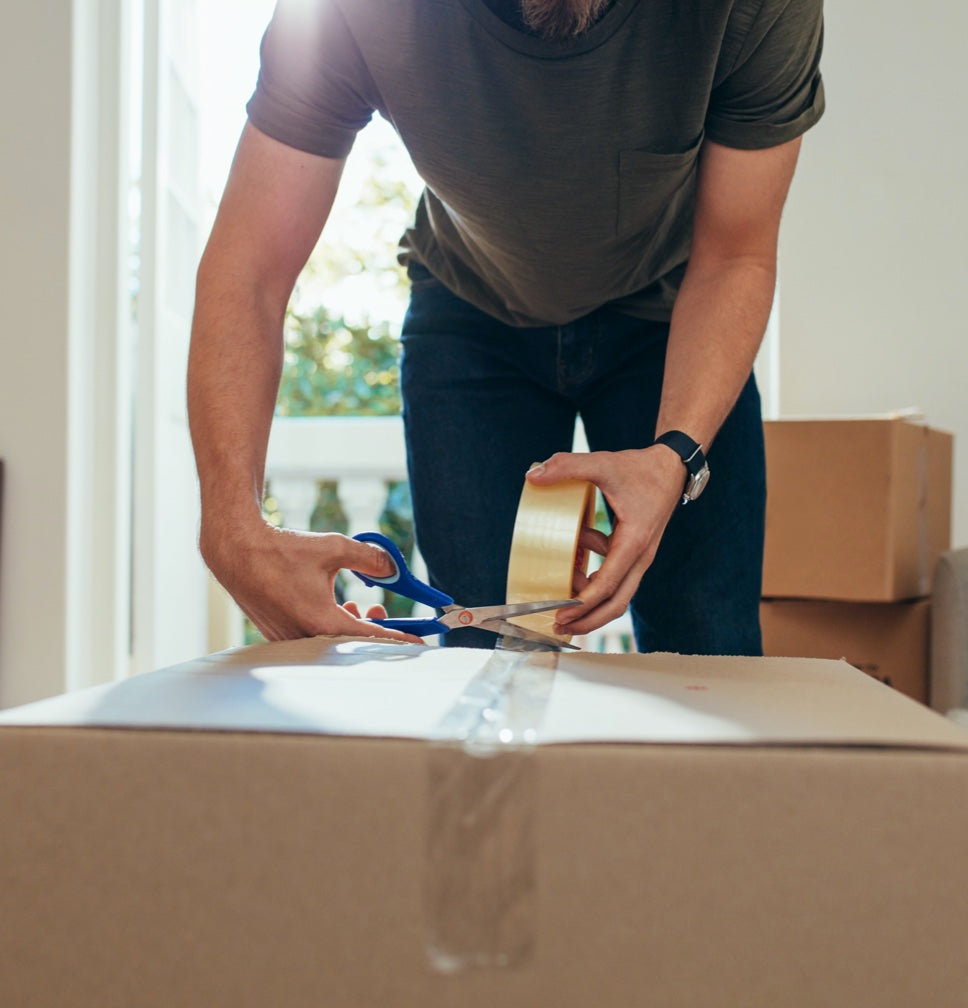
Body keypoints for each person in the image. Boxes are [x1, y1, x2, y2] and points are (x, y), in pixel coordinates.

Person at [187, 0, 825, 652]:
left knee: (709, 653)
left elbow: (736, 255)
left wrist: (676, 457)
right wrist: (232, 528)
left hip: (675, 316)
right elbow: (251, 272)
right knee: (484, 659)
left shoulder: (757, 10)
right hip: (471, 313)